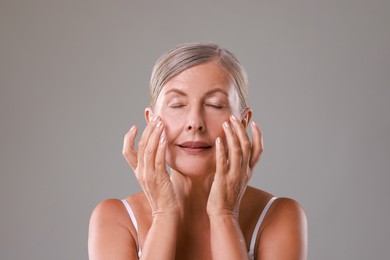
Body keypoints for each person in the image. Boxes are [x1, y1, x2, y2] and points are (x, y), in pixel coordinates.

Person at [88, 42, 308, 260]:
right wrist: (163, 213)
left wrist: (224, 214)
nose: (195, 122)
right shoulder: (115, 219)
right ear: (151, 120)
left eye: (215, 104)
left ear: (242, 122)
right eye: (177, 104)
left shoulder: (278, 216)